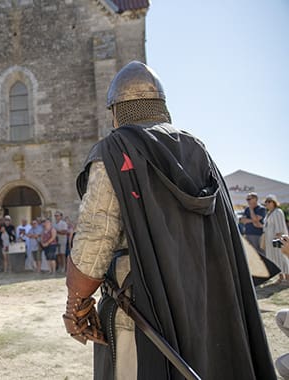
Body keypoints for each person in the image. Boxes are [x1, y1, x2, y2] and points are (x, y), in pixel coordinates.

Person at [64, 61, 276, 380]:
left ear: (116, 110)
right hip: (204, 301)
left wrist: (76, 306)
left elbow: (96, 237)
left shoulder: (115, 151)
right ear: (161, 106)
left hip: (142, 309)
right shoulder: (197, 150)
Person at [258, 194, 289, 283]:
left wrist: (279, 239)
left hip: (277, 239)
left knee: (282, 258)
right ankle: (281, 277)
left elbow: (280, 226)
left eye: (269, 201)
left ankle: (287, 277)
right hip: (269, 240)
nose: (267, 203)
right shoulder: (269, 213)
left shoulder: (278, 211)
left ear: (274, 202)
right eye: (266, 202)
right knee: (274, 258)